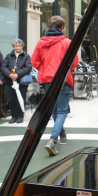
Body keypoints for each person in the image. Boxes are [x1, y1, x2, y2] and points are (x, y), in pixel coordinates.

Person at [31, 16, 79, 155]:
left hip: (47, 79)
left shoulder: (41, 42)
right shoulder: (67, 42)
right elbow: (74, 63)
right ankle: (53, 140)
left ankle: (62, 135)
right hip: (63, 79)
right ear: (62, 27)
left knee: (55, 110)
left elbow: (34, 62)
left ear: (49, 27)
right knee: (62, 111)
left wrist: (45, 69)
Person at [1, 39, 32, 123]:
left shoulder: (26, 56)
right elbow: (3, 67)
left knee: (21, 98)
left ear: (22, 46)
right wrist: (9, 74)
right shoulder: (8, 56)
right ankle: (13, 116)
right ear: (13, 47)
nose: (17, 47)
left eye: (19, 46)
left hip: (21, 81)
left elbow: (28, 67)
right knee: (11, 99)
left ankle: (20, 116)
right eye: (16, 46)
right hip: (9, 81)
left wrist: (17, 74)